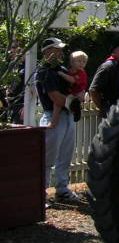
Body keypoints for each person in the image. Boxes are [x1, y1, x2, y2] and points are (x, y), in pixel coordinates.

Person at [35, 37, 82, 205]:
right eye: (57, 50)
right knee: (47, 159)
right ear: (47, 52)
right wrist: (72, 102)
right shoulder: (44, 71)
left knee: (65, 157)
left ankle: (62, 189)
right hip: (54, 116)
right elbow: (55, 97)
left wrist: (72, 101)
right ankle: (41, 195)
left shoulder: (60, 69)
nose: (61, 53)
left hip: (66, 116)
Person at [89, 40, 119, 182]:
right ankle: (114, 178)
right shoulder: (108, 67)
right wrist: (103, 108)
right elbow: (94, 90)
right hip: (113, 114)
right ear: (114, 52)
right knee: (113, 147)